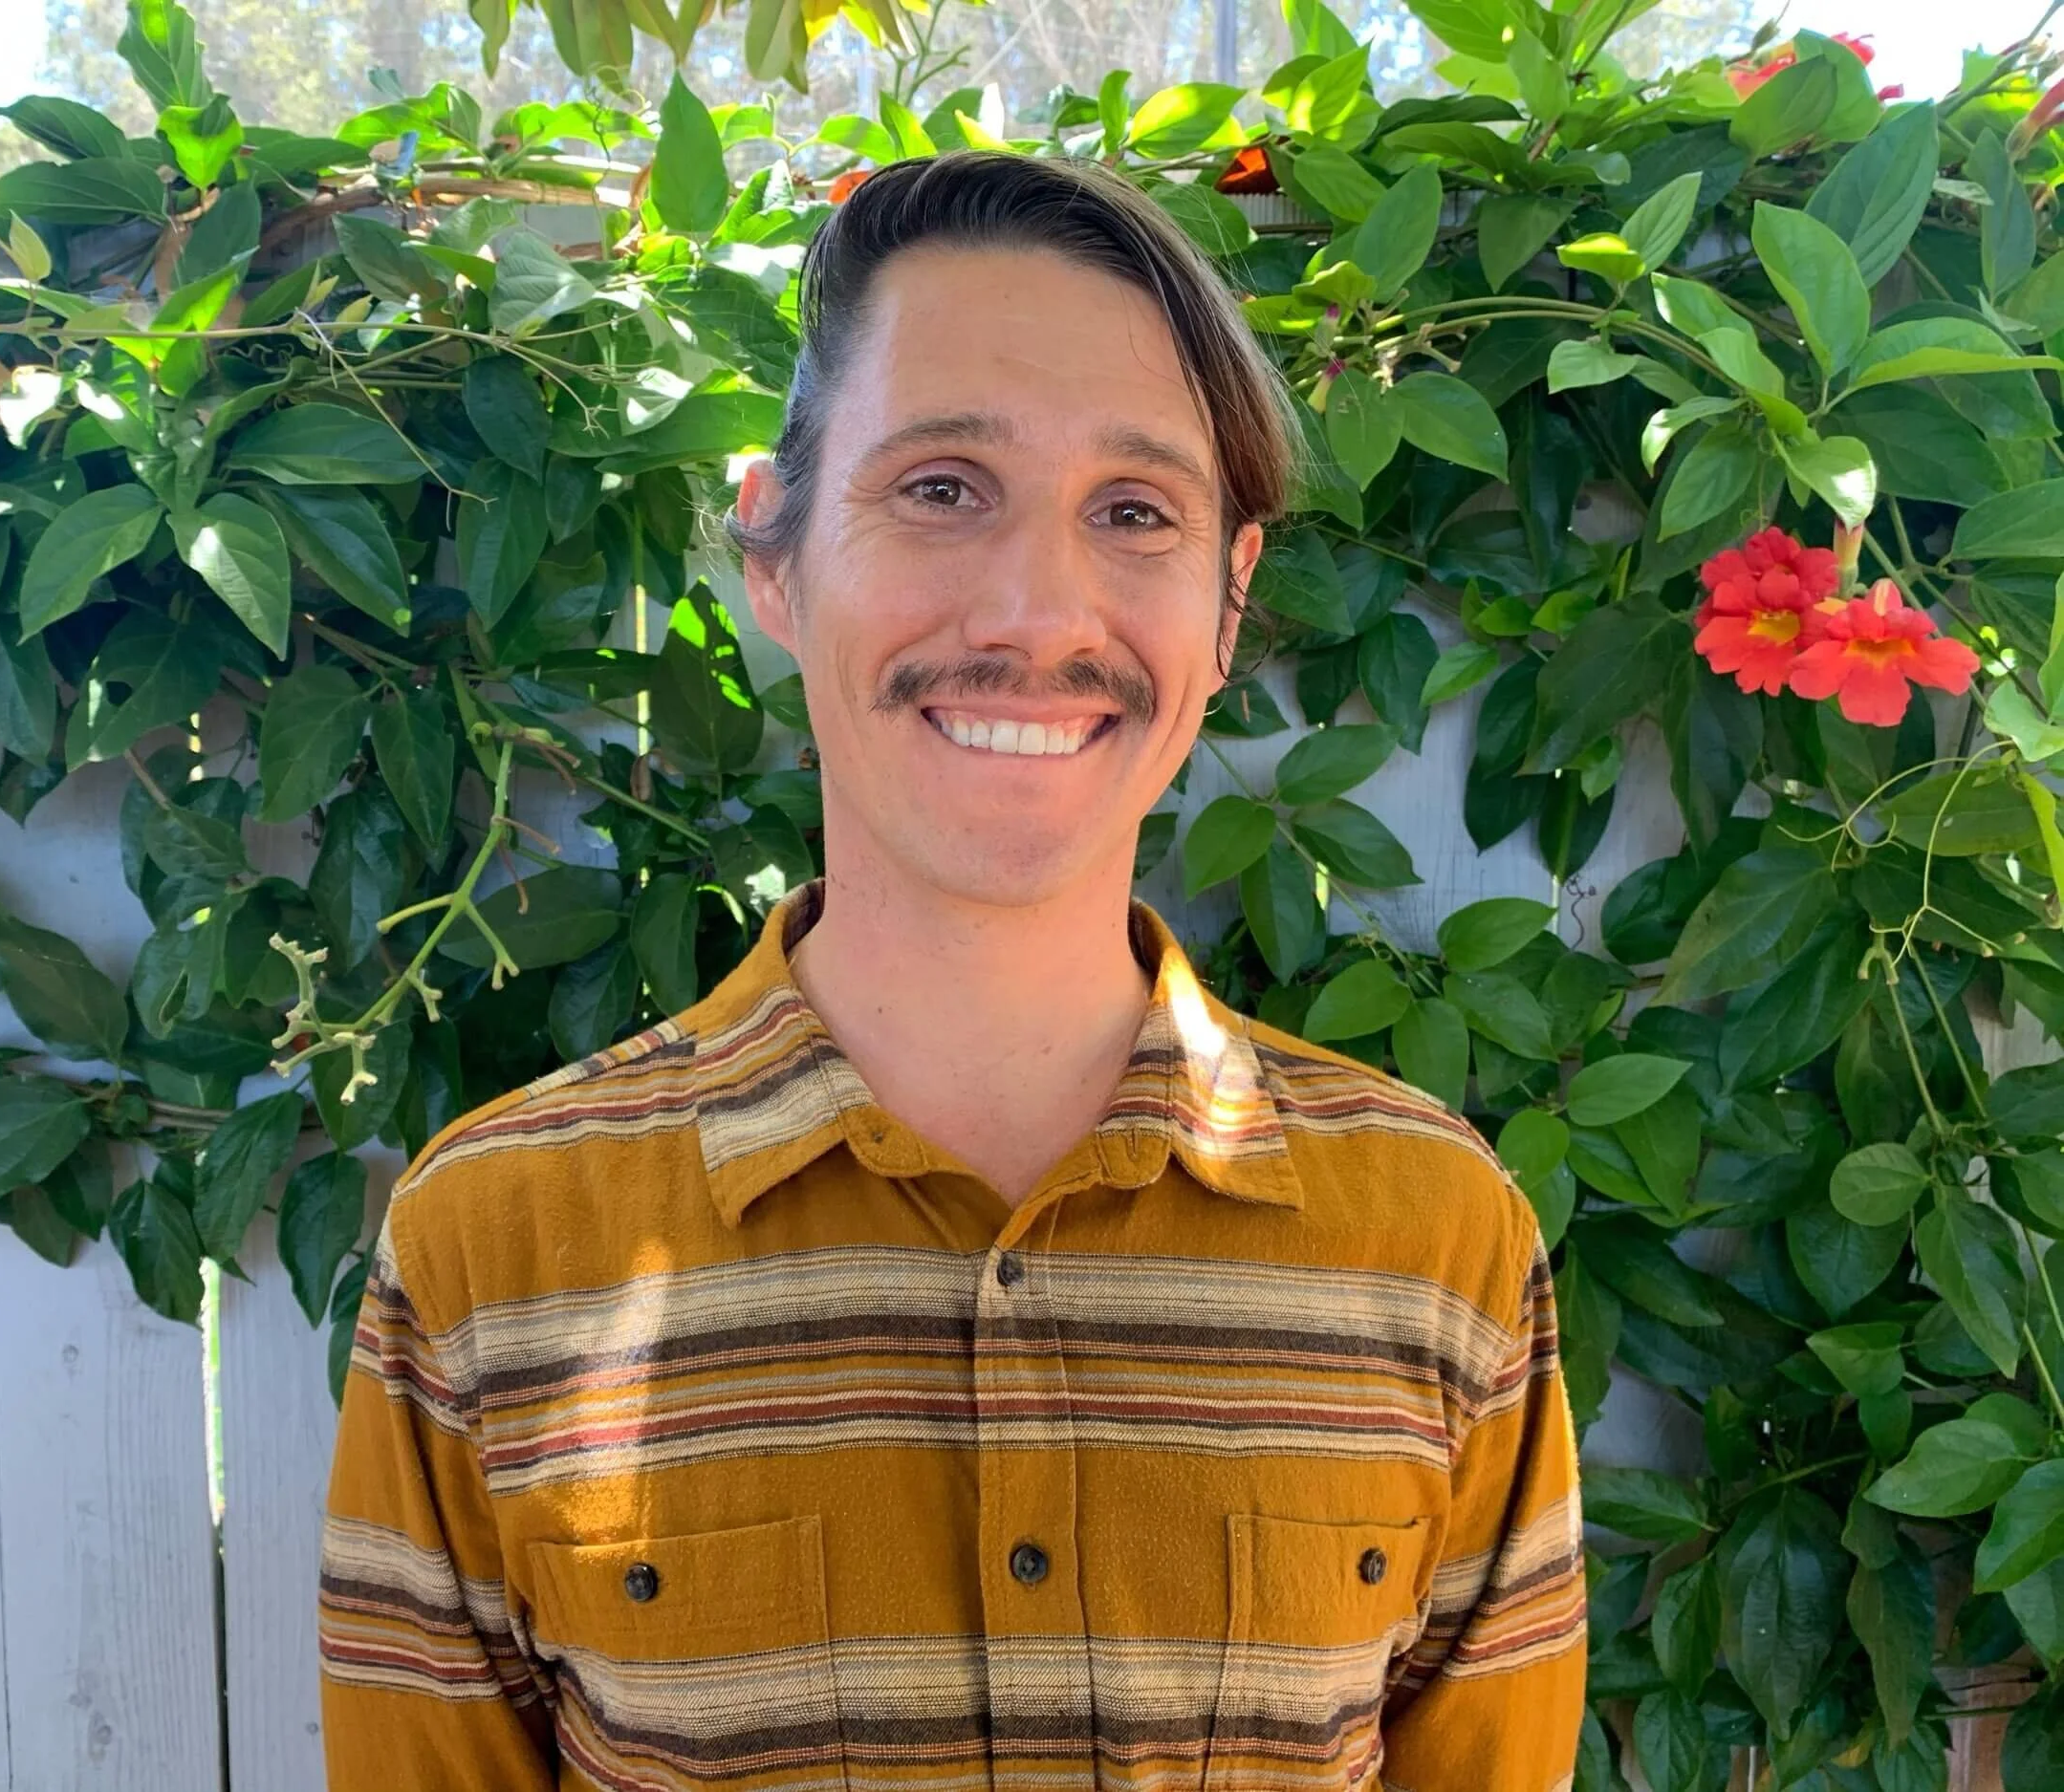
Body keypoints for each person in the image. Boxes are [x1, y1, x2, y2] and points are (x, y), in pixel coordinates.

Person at [317, 149, 1585, 1792]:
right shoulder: (489, 1252)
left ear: (1228, 599)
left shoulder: (1439, 1242)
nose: (1037, 610)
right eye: (939, 487)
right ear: (774, 552)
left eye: (1134, 511)